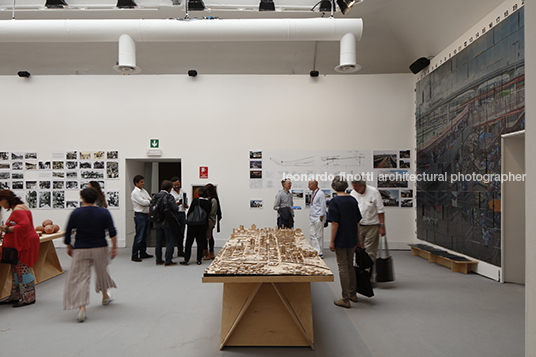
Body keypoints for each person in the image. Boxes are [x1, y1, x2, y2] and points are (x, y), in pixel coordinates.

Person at [63, 187, 118, 322]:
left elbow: (68, 231)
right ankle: (105, 295)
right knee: (102, 271)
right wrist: (114, 248)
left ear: (82, 198)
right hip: (100, 247)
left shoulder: (76, 213)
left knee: (80, 277)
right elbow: (112, 231)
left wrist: (69, 246)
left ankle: (82, 307)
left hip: (81, 248)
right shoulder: (104, 212)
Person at [0, 190, 40, 308]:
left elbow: (24, 225)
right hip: (23, 242)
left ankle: (28, 297)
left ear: (5, 199)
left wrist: (7, 229)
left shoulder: (18, 210)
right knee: (17, 269)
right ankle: (17, 295)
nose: (1, 205)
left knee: (22, 269)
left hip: (24, 243)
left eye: (1, 202)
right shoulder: (20, 208)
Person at [328, 176, 362, 308]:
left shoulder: (335, 201)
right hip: (352, 238)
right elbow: (358, 222)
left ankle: (345, 298)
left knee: (342, 267)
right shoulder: (352, 200)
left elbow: (335, 223)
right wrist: (358, 239)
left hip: (341, 239)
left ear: (334, 187)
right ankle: (353, 294)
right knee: (350, 266)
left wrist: (332, 241)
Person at [350, 179, 386, 280]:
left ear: (363, 185)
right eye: (353, 186)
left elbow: (380, 210)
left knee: (370, 252)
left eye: (356, 186)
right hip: (358, 226)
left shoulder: (374, 192)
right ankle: (363, 274)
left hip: (372, 226)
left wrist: (382, 226)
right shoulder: (353, 193)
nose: (354, 188)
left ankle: (367, 277)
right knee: (360, 251)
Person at [181, 187, 212, 266]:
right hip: (202, 224)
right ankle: (199, 259)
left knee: (189, 242)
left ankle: (186, 259)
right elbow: (208, 214)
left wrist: (189, 220)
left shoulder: (196, 201)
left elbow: (190, 211)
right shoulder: (208, 203)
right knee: (200, 242)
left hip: (193, 224)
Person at [153, 180, 179, 267]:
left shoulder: (155, 196)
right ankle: (168, 260)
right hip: (167, 221)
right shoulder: (169, 196)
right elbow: (175, 208)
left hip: (157, 221)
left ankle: (158, 260)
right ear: (169, 188)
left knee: (158, 241)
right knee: (169, 240)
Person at [130, 175, 153, 262]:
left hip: (146, 215)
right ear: (136, 183)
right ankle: (134, 255)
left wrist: (148, 201)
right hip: (140, 215)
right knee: (139, 236)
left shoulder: (144, 191)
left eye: (143, 181)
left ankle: (143, 253)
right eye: (141, 182)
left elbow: (150, 200)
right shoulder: (135, 192)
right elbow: (144, 202)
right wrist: (148, 201)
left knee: (145, 235)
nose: (143, 183)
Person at [170, 177, 188, 257]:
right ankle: (171, 252)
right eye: (175, 185)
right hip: (175, 213)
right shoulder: (170, 193)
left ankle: (180, 250)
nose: (177, 186)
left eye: (178, 184)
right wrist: (175, 204)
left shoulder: (183, 191)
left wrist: (186, 205)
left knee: (182, 232)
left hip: (182, 213)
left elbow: (185, 201)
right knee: (173, 233)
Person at [204, 183, 222, 260]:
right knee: (208, 236)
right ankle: (207, 252)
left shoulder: (213, 200)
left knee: (209, 236)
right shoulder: (210, 199)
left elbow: (212, 212)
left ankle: (211, 253)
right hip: (209, 220)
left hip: (210, 220)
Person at [308, 180, 326, 258]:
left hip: (318, 217)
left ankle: (319, 252)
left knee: (319, 235)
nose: (308, 186)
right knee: (312, 234)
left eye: (309, 185)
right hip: (312, 217)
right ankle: (316, 250)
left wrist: (321, 216)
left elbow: (323, 205)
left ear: (314, 185)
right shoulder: (313, 193)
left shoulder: (320, 193)